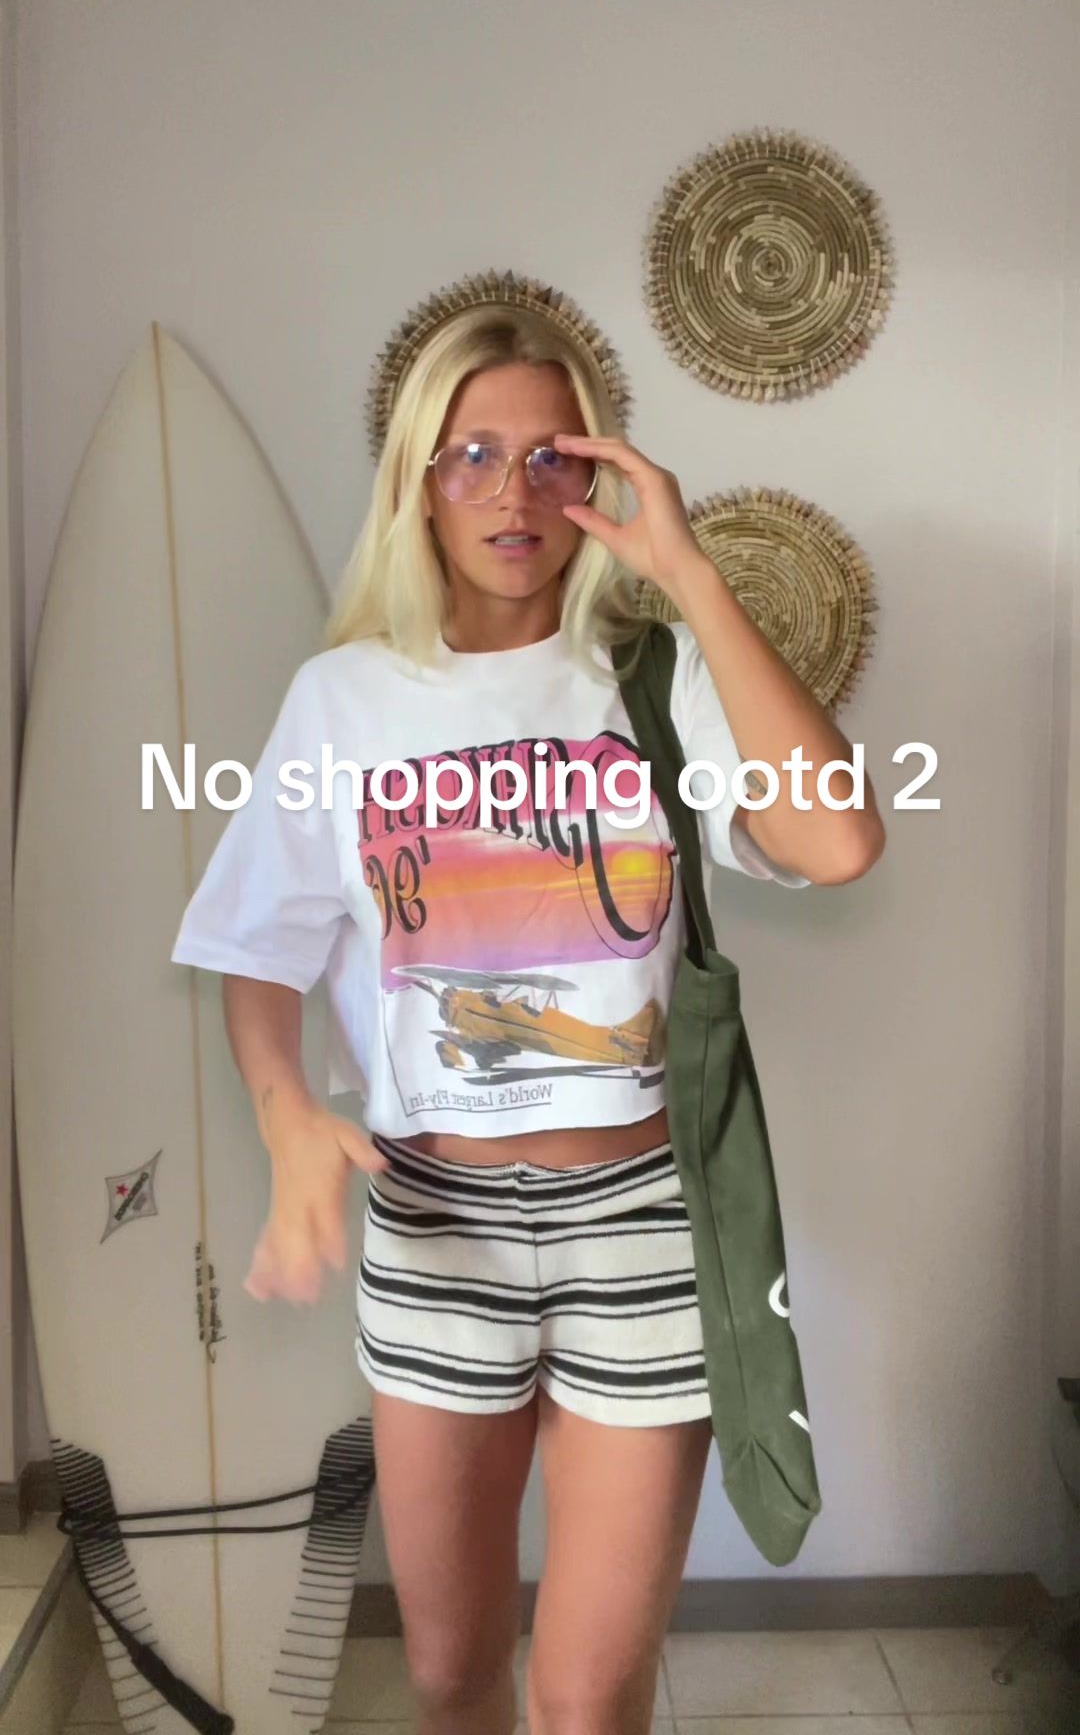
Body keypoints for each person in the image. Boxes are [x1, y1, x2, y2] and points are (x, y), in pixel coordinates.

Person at [172, 305, 885, 1735]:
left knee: (587, 1694)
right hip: (436, 1227)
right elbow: (257, 945)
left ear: (597, 474)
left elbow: (839, 840)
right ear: (417, 482)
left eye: (549, 456)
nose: (513, 492)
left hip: (643, 1222)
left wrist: (689, 576)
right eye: (472, 456)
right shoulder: (343, 701)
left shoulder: (655, 680)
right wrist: (288, 1116)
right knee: (451, 1674)